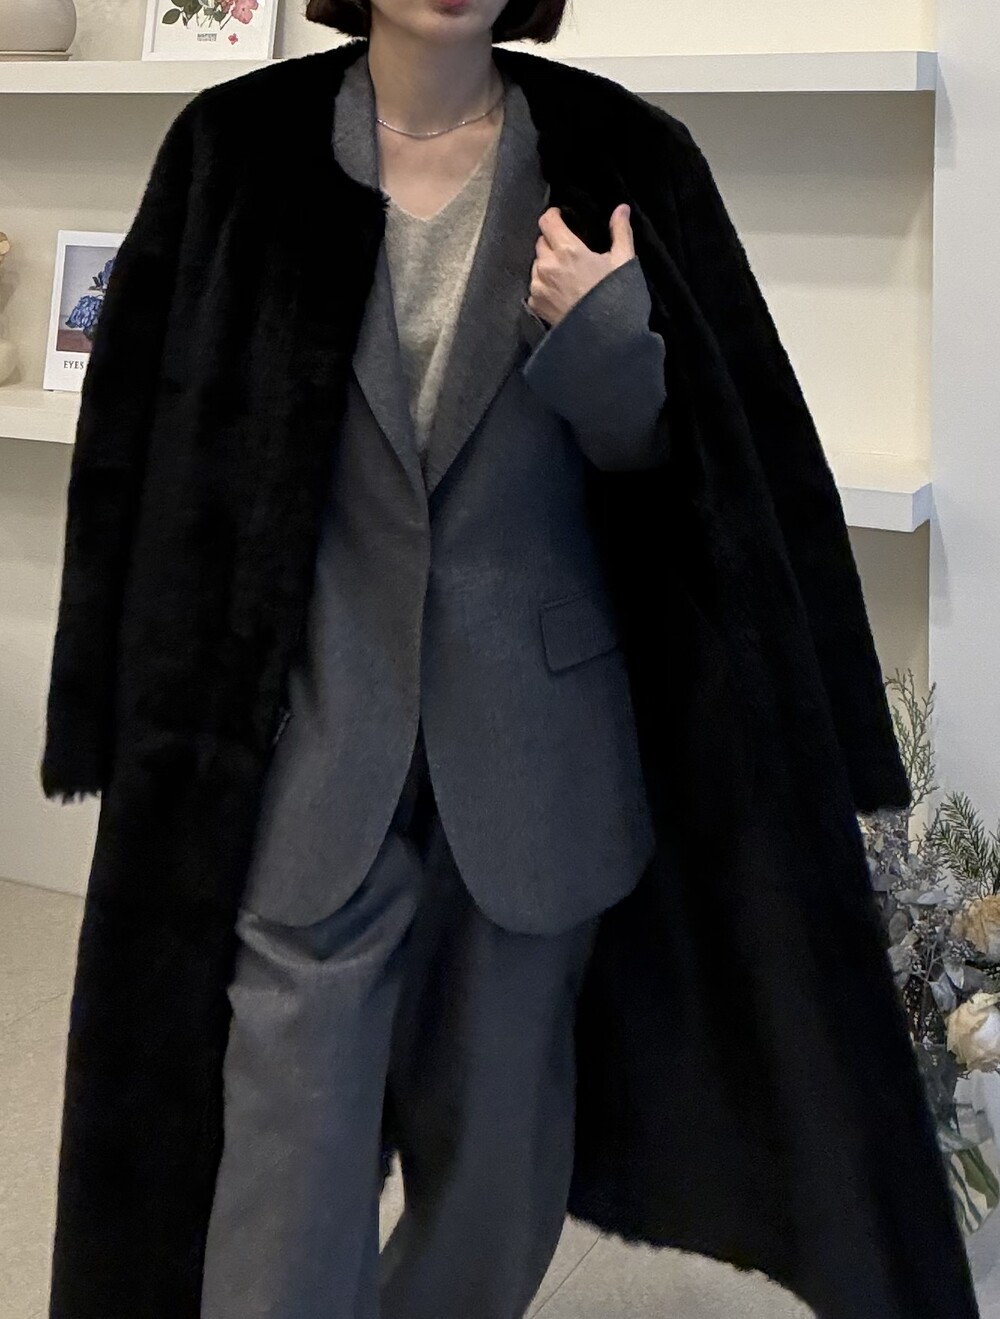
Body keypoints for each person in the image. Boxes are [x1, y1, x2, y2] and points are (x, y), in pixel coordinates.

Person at [195, 1, 670, 1316]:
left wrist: (604, 334)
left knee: (495, 1173)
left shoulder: (611, 155)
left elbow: (678, 473)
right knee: (287, 1171)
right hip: (318, 730)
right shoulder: (249, 153)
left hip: (534, 743)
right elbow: (188, 439)